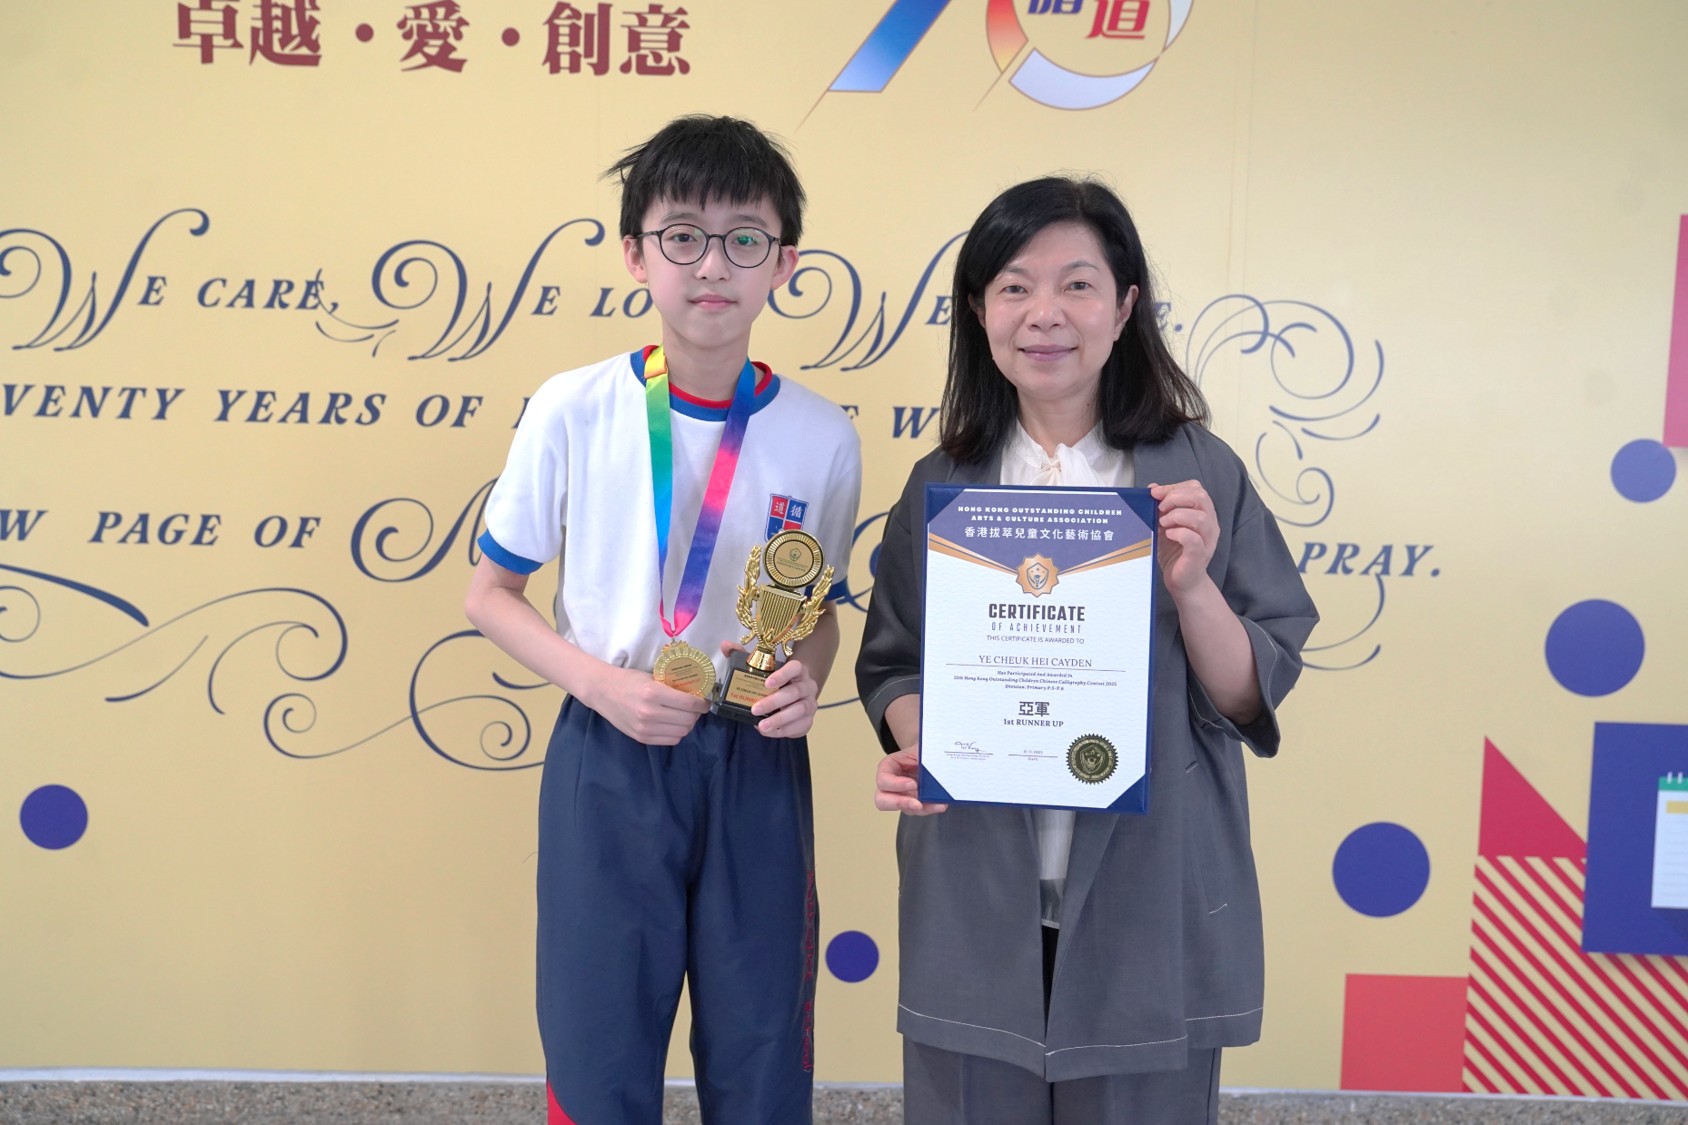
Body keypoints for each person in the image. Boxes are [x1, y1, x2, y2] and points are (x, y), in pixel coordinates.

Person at [856, 177, 1317, 1124]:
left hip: (1150, 895)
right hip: (975, 891)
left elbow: (1248, 693)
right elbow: (894, 662)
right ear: (979, 310)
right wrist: (921, 741)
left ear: (1125, 305)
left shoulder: (1199, 476)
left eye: (1077, 284)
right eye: (1014, 286)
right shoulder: (943, 485)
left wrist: (1193, 587)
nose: (1045, 313)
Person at [465, 115, 862, 1125]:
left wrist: (808, 675)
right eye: (682, 235)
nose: (712, 264)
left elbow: (815, 617)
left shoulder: (821, 435)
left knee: (763, 1050)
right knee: (597, 1047)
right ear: (636, 253)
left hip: (756, 760)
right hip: (609, 751)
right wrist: (601, 684)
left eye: (744, 238)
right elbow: (488, 594)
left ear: (785, 263)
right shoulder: (572, 408)